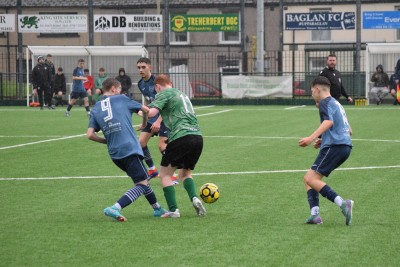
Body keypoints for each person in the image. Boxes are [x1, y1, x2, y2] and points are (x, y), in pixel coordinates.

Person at [87, 78, 167, 221]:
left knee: (142, 179)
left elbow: (90, 135)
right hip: (129, 148)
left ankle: (157, 208)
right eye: (119, 89)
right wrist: (144, 124)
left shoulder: (96, 108)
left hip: (115, 153)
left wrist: (106, 141)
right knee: (142, 183)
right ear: (113, 89)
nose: (120, 92)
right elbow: (146, 110)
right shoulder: (122, 99)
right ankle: (115, 207)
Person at [147, 74, 206, 218]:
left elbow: (151, 113)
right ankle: (194, 198)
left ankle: (173, 210)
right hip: (197, 137)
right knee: (185, 174)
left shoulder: (163, 93)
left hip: (181, 137)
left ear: (157, 87)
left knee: (165, 175)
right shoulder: (182, 94)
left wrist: (133, 107)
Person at [298, 76, 354, 226]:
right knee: (308, 178)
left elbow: (328, 122)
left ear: (317, 89)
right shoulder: (338, 104)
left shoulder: (324, 102)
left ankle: (343, 203)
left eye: (311, 91)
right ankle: (314, 215)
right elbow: (349, 130)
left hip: (335, 147)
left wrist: (311, 138)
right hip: (344, 146)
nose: (312, 95)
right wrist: (324, 139)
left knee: (311, 179)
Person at [137, 57, 179, 184]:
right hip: (153, 116)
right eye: (139, 67)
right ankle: (152, 170)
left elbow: (166, 102)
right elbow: (151, 103)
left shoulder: (158, 82)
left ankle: (173, 175)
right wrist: (145, 122)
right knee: (141, 142)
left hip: (165, 116)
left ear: (150, 67)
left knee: (162, 145)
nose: (141, 70)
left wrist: (158, 121)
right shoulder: (140, 84)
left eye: (143, 67)